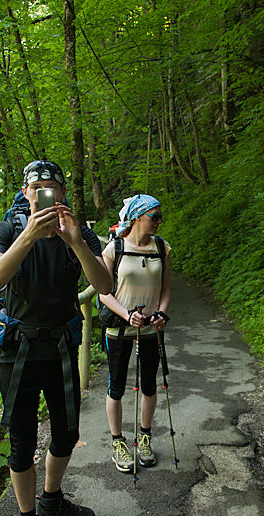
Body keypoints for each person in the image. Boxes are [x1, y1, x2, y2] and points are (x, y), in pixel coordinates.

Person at [0, 160, 112, 516]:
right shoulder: (7, 230)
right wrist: (28, 237)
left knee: (67, 432)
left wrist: (74, 241)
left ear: (62, 194)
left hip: (60, 348)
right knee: (21, 441)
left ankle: (52, 500)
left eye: (51, 188)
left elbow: (104, 286)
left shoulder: (79, 233)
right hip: (17, 351)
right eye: (36, 188)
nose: (44, 194)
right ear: (26, 193)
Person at [98, 194, 171, 473]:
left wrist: (161, 314)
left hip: (151, 328)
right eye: (154, 216)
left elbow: (165, 290)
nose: (159, 221)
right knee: (115, 386)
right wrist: (127, 315)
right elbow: (104, 292)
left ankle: (145, 436)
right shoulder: (114, 248)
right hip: (119, 328)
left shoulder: (162, 248)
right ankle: (118, 441)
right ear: (138, 216)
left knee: (150, 384)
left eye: (159, 216)